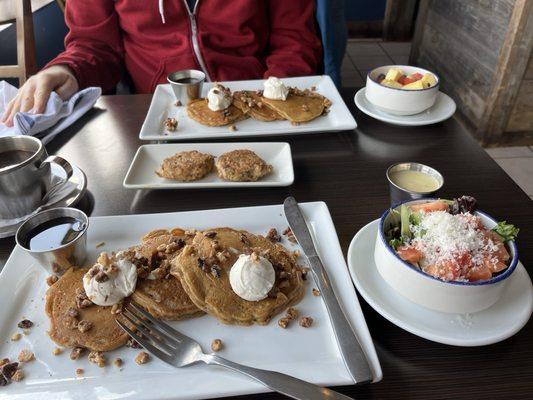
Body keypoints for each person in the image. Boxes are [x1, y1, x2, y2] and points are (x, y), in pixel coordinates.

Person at [2, 0, 321, 127]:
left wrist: (277, 106)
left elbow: (294, 38)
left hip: (259, 112)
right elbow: (94, 45)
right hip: (160, 121)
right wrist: (67, 70)